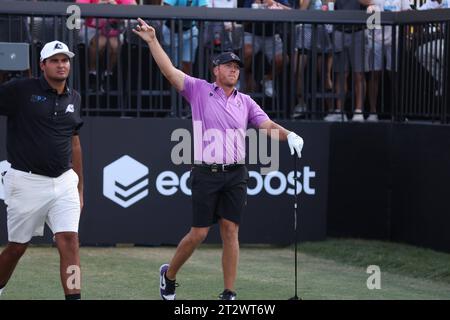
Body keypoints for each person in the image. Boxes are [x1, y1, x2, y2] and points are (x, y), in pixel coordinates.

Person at [132, 18, 304, 300]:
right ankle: (169, 275)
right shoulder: (199, 90)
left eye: (237, 67)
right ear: (216, 70)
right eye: (228, 66)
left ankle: (229, 292)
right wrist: (152, 41)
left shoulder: (246, 101)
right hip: (205, 172)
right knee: (198, 234)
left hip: (236, 173)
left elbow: (268, 126)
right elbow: (169, 71)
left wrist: (290, 135)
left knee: (230, 230)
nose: (234, 70)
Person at [0, 41, 84, 300]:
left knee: (69, 241)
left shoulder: (74, 97)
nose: (62, 65)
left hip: (64, 182)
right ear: (42, 65)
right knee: (16, 247)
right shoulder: (20, 90)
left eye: (65, 60)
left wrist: (80, 188)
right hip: (25, 182)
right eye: (55, 60)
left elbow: (75, 142)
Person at [76, 0, 137, 91]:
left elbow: (134, 8)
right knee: (100, 43)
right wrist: (98, 6)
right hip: (91, 28)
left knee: (115, 45)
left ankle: (108, 74)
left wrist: (116, 7)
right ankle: (92, 74)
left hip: (114, 29)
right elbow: (78, 8)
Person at [242, 0, 292, 97]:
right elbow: (243, 17)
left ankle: (268, 79)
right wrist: (255, 9)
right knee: (247, 52)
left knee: (282, 59)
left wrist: (275, 4)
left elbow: (292, 11)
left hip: (271, 35)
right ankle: (242, 78)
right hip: (252, 33)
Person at [162, 0, 208, 75]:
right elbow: (167, 6)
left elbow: (204, 9)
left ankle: (186, 86)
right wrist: (185, 14)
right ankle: (173, 86)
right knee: (172, 67)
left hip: (190, 30)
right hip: (171, 31)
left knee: (187, 64)